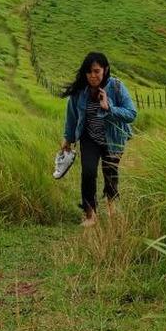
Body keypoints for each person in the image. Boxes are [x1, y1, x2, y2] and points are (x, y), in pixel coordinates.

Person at [60, 52, 137, 227]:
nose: (93, 76)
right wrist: (68, 138)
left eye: (96, 71)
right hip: (89, 138)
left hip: (113, 138)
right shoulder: (80, 91)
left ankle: (112, 208)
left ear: (105, 69)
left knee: (110, 174)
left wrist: (109, 108)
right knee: (88, 173)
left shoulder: (117, 87)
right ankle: (90, 214)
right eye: (89, 72)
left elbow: (131, 114)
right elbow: (72, 116)